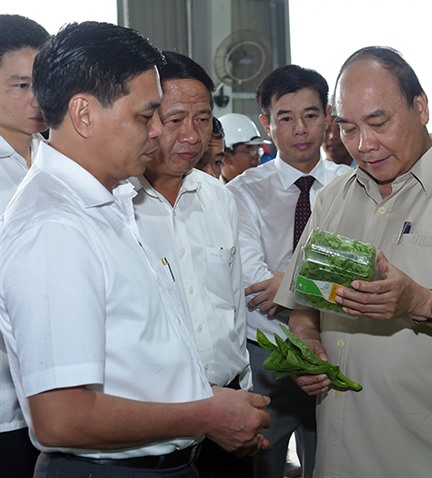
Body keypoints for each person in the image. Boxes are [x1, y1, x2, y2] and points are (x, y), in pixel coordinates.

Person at [0, 22, 270, 478]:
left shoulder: (107, 202)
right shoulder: (55, 226)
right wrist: (205, 414)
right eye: (146, 117)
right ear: (84, 114)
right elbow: (61, 418)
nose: (158, 133)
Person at [274, 47, 432, 478]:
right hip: (338, 452)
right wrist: (307, 349)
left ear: (421, 106)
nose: (364, 144)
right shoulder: (335, 198)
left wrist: (419, 302)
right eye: (348, 128)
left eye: (378, 123)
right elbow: (303, 306)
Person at [129, 50, 257, 478]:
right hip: (153, 430)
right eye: (175, 119)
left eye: (202, 119)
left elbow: (233, 308)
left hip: (228, 417)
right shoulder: (114, 204)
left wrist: (246, 400)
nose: (191, 135)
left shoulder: (218, 196)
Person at [227, 64, 351, 478]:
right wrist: (321, 281)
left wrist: (289, 282)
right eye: (285, 117)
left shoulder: (352, 186)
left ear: (328, 117)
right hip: (266, 352)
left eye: (311, 115)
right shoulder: (242, 193)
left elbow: (358, 274)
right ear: (267, 122)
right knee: (261, 465)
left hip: (336, 346)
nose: (300, 128)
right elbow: (256, 286)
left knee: (333, 465)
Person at [0, 14, 49, 478]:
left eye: (43, 82)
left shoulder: (58, 159)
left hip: (56, 396)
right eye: (21, 85)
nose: (37, 98)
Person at [218, 112, 269, 183]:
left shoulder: (267, 188)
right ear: (226, 157)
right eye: (251, 150)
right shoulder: (211, 192)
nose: (257, 156)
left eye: (258, 149)